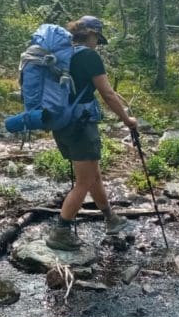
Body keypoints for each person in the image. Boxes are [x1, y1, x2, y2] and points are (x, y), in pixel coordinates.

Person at [46, 15, 138, 251]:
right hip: (81, 125)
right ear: (92, 34)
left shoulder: (61, 54)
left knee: (93, 174)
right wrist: (127, 119)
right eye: (98, 38)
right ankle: (61, 231)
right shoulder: (88, 55)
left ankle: (111, 219)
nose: (98, 43)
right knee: (84, 182)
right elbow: (107, 94)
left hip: (61, 124)